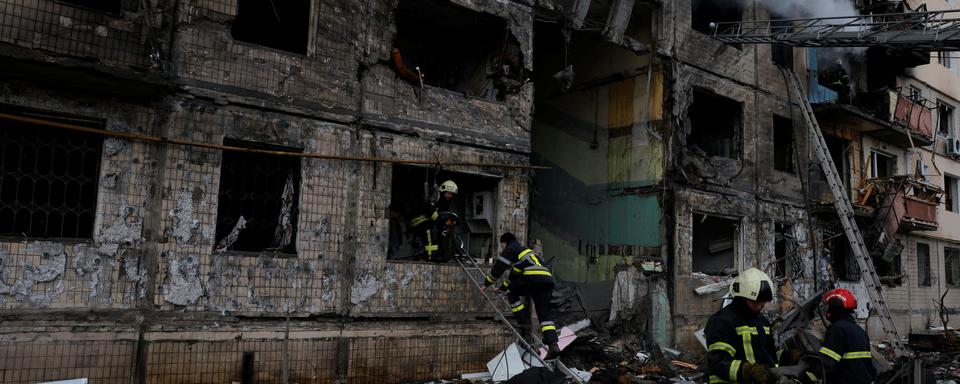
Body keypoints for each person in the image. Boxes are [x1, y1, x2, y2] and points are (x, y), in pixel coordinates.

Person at [482, 232, 561, 359]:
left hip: (532, 277)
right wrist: (502, 287)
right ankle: (553, 345)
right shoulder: (528, 253)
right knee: (544, 314)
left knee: (512, 292)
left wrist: (487, 283)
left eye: (502, 245)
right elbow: (514, 274)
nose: (502, 248)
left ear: (504, 242)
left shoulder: (511, 248)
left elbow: (499, 267)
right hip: (547, 280)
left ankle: (524, 321)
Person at [705, 268, 779, 384]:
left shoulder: (762, 322)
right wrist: (748, 371)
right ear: (741, 297)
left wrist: (787, 356)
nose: (760, 306)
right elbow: (718, 362)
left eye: (763, 301)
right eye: (755, 301)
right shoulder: (722, 321)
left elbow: (769, 355)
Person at [802, 288, 876, 384]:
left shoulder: (837, 329)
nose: (827, 311)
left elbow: (827, 363)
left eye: (829, 307)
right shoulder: (859, 330)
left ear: (835, 308)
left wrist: (807, 375)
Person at [409, 180, 457, 262]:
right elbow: (431, 212)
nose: (450, 196)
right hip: (418, 219)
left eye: (451, 194)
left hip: (429, 220)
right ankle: (430, 256)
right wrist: (443, 219)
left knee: (441, 231)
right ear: (443, 191)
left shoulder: (446, 203)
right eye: (448, 193)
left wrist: (449, 222)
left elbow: (443, 217)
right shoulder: (435, 197)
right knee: (431, 228)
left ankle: (440, 255)